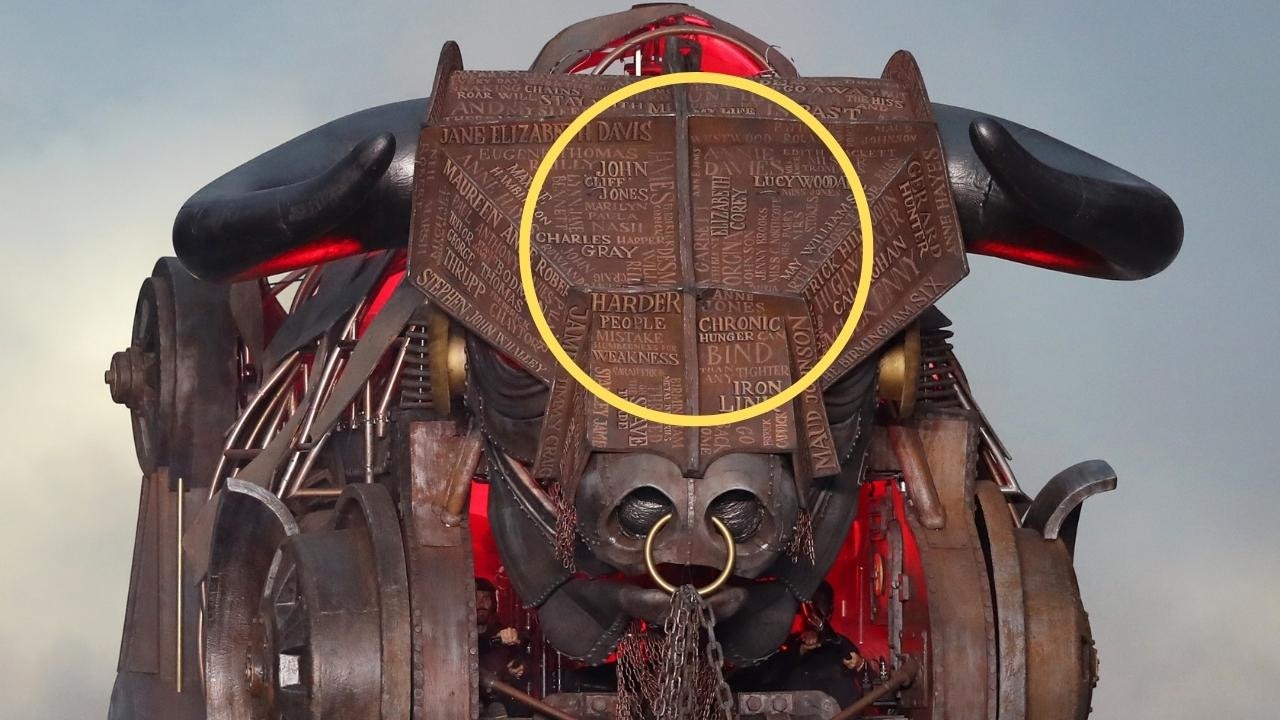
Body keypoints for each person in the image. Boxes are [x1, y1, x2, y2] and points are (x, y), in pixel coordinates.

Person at [476, 578, 532, 718]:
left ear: (493, 603)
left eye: (485, 598)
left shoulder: (501, 632)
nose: (480, 603)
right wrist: (495, 640)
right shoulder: (456, 636)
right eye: (475, 597)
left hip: (501, 704)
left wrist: (519, 667)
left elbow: (521, 659)